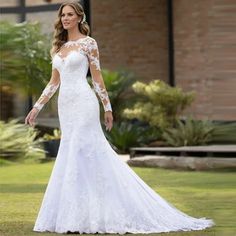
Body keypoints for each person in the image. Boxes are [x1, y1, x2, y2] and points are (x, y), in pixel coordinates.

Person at [25, 1, 215, 234]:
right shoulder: (58, 47)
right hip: (66, 106)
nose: (65, 18)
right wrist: (36, 107)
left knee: (88, 151)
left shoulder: (89, 44)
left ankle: (100, 213)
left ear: (79, 18)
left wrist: (107, 108)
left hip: (85, 104)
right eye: (63, 14)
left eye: (70, 14)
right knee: (71, 153)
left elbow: (97, 79)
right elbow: (53, 83)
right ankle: (75, 216)